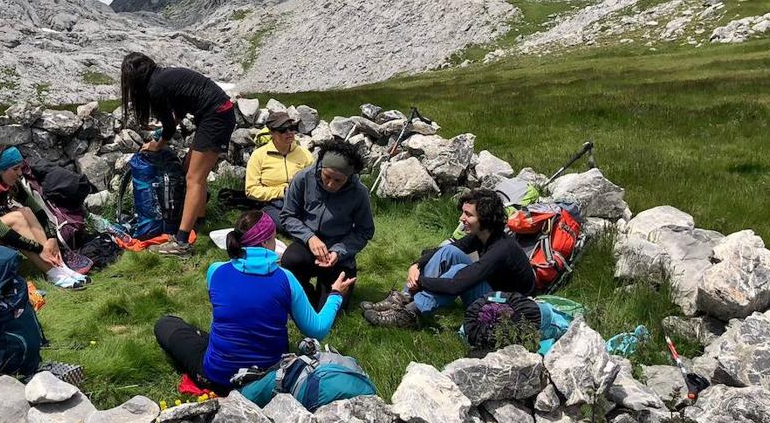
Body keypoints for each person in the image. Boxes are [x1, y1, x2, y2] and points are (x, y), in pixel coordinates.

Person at [154, 210, 355, 393]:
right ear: (267, 242)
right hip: (269, 378)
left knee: (166, 324)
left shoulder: (215, 271)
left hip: (219, 376)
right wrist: (335, 294)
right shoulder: (285, 278)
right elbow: (317, 329)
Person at [362, 188, 535, 328]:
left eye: (468, 215)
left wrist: (421, 281)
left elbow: (456, 285)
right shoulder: (483, 236)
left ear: (486, 218)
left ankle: (410, 314)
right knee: (448, 252)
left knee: (460, 271)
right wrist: (416, 265)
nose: (462, 219)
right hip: (492, 292)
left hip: (507, 309)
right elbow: (442, 250)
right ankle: (402, 299)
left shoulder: (501, 249)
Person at [120, 52, 236, 256]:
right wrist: (159, 137)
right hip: (217, 113)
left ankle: (181, 242)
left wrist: (156, 145)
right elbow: (180, 112)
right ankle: (197, 221)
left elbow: (169, 129)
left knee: (194, 178)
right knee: (189, 169)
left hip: (215, 117)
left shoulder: (155, 88)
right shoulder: (163, 77)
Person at [0, 144, 86, 288]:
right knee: (16, 218)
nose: (20, 173)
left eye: (20, 167)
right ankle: (54, 274)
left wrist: (51, 238)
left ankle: (61, 267)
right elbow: (0, 231)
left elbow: (37, 210)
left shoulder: (8, 183)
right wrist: (39, 248)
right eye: (15, 169)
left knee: (25, 211)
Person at [279, 139, 375, 309]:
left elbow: (364, 231)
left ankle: (326, 284)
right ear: (320, 167)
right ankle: (305, 290)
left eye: (338, 180)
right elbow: (288, 215)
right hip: (306, 245)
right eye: (327, 177)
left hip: (339, 253)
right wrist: (309, 238)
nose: (331, 184)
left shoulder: (359, 193)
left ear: (349, 177)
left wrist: (339, 251)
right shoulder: (303, 178)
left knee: (330, 311)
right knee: (290, 261)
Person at [244, 110, 314, 227]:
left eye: (291, 128)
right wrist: (282, 192)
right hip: (272, 203)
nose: (289, 133)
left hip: (301, 200)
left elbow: (314, 182)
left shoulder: (305, 154)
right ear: (271, 133)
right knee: (288, 224)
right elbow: (251, 190)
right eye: (282, 130)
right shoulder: (259, 155)